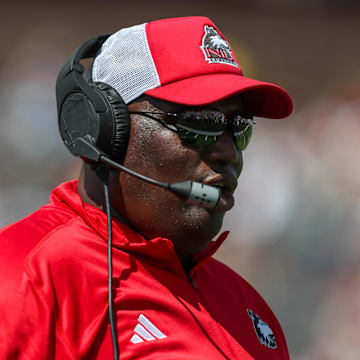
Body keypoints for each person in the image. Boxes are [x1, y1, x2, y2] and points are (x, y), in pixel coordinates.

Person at [0, 16, 293, 359]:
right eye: (200, 123)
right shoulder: (23, 276)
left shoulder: (248, 307)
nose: (229, 152)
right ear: (103, 130)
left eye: (239, 127)